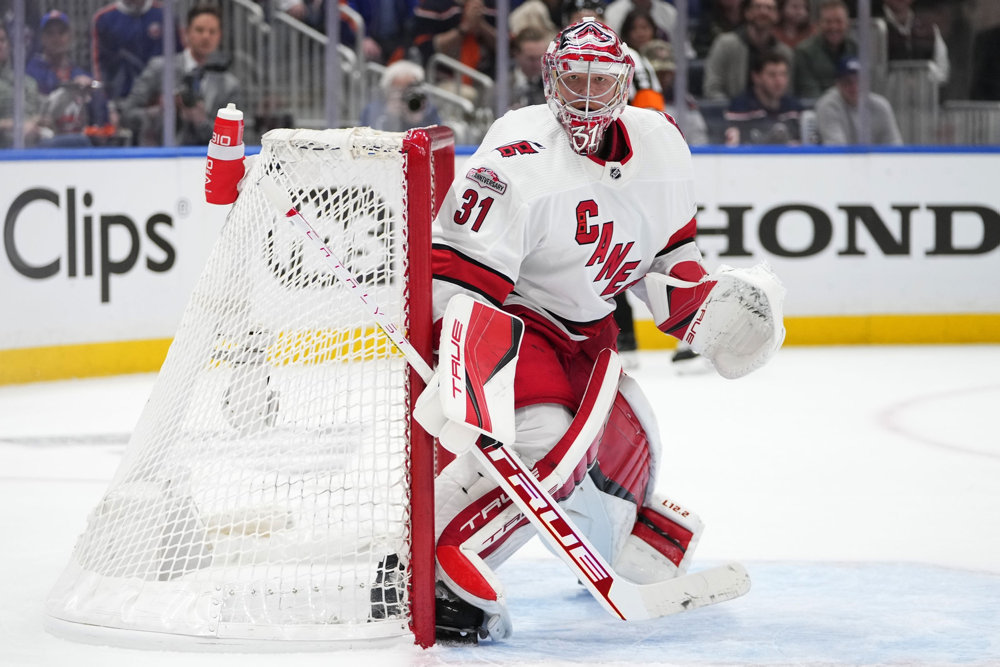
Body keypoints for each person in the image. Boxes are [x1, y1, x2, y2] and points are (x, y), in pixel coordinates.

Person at [422, 18, 785, 642]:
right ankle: (437, 566)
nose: (587, 96)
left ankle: (628, 542)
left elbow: (668, 255)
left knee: (635, 448)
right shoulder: (517, 153)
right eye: (574, 79)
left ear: (625, 83)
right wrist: (466, 373)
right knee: (547, 446)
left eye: (601, 80)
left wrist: (706, 312)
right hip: (519, 320)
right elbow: (456, 279)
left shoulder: (661, 143)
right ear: (549, 80)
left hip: (590, 337)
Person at [121, 5, 242, 146]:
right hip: (158, 157)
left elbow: (237, 138)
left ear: (219, 36)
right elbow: (127, 115)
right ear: (186, 33)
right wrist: (160, 111)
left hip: (205, 159)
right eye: (199, 30)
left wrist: (201, 121)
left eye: (212, 31)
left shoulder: (229, 85)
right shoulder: (160, 68)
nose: (206, 36)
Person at [91, 0, 183, 101]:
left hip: (159, 100)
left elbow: (178, 57)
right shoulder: (105, 19)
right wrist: (107, 103)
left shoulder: (165, 15)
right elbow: (99, 64)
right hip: (121, 99)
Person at [703, 0, 794, 102]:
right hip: (731, 113)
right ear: (747, 13)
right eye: (757, 7)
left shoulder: (784, 52)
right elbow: (712, 89)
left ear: (777, 15)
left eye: (770, 8)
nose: (763, 12)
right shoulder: (725, 44)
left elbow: (787, 92)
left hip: (773, 115)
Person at [814, 55, 902, 145]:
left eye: (860, 80)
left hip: (875, 158)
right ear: (837, 84)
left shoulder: (881, 106)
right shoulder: (828, 105)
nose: (854, 87)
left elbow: (895, 145)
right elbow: (837, 149)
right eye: (847, 81)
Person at [724, 50, 802, 145]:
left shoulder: (794, 108)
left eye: (783, 75)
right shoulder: (740, 107)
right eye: (772, 75)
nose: (779, 81)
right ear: (756, 77)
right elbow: (735, 149)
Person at [641, 39, 709, 144]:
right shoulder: (630, 98)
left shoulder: (684, 102)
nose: (663, 78)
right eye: (658, 72)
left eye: (667, 72)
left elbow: (699, 141)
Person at [793, 0, 856, 100]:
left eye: (838, 21)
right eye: (828, 22)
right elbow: (810, 93)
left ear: (847, 24)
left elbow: (864, 87)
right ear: (819, 24)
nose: (834, 27)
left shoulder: (855, 49)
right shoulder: (804, 52)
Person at [359, 59, 441, 131]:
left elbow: (437, 139)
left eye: (411, 88)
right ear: (388, 89)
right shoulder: (373, 109)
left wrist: (418, 123)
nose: (406, 95)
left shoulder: (427, 109)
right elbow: (366, 140)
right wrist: (389, 118)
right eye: (400, 90)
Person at [881, 0, 949, 86]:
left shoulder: (929, 28)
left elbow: (942, 69)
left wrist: (922, 82)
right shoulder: (873, 26)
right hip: (885, 94)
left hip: (923, 93)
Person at [0, 22, 43, 147]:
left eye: (2, 40)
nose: (0, 45)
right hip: (4, 146)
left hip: (35, 143)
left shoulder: (28, 82)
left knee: (76, 141)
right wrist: (14, 125)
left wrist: (37, 121)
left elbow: (38, 113)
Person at [508, 26, 552, 110]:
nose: (537, 64)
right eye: (531, 59)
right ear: (517, 54)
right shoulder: (500, 89)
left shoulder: (554, 87)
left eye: (540, 58)